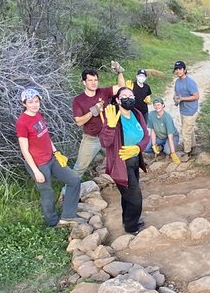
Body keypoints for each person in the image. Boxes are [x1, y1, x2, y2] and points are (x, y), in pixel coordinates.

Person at [16, 88, 81, 228]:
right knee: (47, 192)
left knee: (74, 180)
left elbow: (46, 136)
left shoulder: (38, 115)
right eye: (30, 102)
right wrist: (36, 171)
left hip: (51, 158)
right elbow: (25, 150)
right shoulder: (22, 122)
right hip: (38, 164)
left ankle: (67, 216)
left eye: (36, 101)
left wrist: (56, 153)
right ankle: (51, 223)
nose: (34, 104)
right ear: (24, 103)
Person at [99, 86, 153, 234]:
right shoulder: (113, 117)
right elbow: (104, 142)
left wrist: (138, 148)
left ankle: (128, 221)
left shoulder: (137, 113)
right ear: (117, 99)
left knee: (127, 196)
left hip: (134, 160)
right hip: (121, 164)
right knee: (135, 198)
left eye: (131, 96)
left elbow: (146, 136)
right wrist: (110, 126)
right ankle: (131, 227)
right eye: (124, 96)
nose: (128, 99)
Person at [71, 61, 126, 176]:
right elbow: (79, 121)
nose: (93, 83)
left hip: (108, 135)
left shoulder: (103, 92)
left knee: (120, 160)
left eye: (95, 80)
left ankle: (122, 186)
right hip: (91, 139)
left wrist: (119, 72)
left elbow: (122, 88)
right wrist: (93, 111)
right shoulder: (78, 100)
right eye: (90, 80)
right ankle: (68, 192)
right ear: (84, 82)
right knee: (79, 169)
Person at [172, 60, 200, 159]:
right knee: (189, 130)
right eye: (176, 69)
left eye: (180, 69)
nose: (178, 71)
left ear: (184, 70)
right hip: (183, 110)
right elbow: (176, 94)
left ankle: (187, 152)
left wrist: (182, 99)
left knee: (185, 132)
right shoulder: (177, 82)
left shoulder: (190, 82)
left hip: (191, 110)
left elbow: (196, 96)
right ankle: (193, 147)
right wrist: (175, 99)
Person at [147, 97, 182, 163]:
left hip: (171, 136)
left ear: (163, 105)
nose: (157, 107)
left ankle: (166, 147)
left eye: (159, 105)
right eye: (155, 105)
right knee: (146, 148)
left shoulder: (167, 117)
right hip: (160, 137)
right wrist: (154, 144)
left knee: (167, 151)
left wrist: (173, 153)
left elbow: (170, 136)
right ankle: (160, 147)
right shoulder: (151, 114)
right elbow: (153, 131)